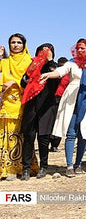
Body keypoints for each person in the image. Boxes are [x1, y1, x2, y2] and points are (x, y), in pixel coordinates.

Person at [40, 37, 86, 177]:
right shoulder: (72, 63)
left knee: (83, 133)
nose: (80, 50)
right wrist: (49, 75)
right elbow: (60, 71)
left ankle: (78, 164)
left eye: (83, 48)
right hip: (71, 99)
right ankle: (69, 166)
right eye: (78, 48)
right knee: (71, 133)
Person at [20, 44, 59, 180]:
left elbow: (57, 79)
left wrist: (50, 61)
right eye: (41, 50)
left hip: (47, 107)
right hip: (31, 106)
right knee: (29, 138)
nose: (44, 53)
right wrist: (33, 67)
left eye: (47, 51)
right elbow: (23, 82)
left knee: (43, 139)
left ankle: (44, 167)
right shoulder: (33, 65)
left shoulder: (53, 68)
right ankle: (26, 169)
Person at [0, 33, 32, 180]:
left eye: (19, 42)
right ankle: (6, 168)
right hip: (5, 102)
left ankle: (17, 167)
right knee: (4, 134)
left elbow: (31, 82)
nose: (16, 45)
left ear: (24, 44)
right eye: (13, 42)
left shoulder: (29, 62)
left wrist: (14, 82)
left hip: (21, 101)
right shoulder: (5, 62)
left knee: (17, 134)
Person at [50, 56, 68, 152]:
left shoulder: (69, 74)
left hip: (63, 99)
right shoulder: (55, 74)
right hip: (53, 99)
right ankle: (52, 144)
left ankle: (55, 145)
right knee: (52, 122)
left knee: (59, 122)